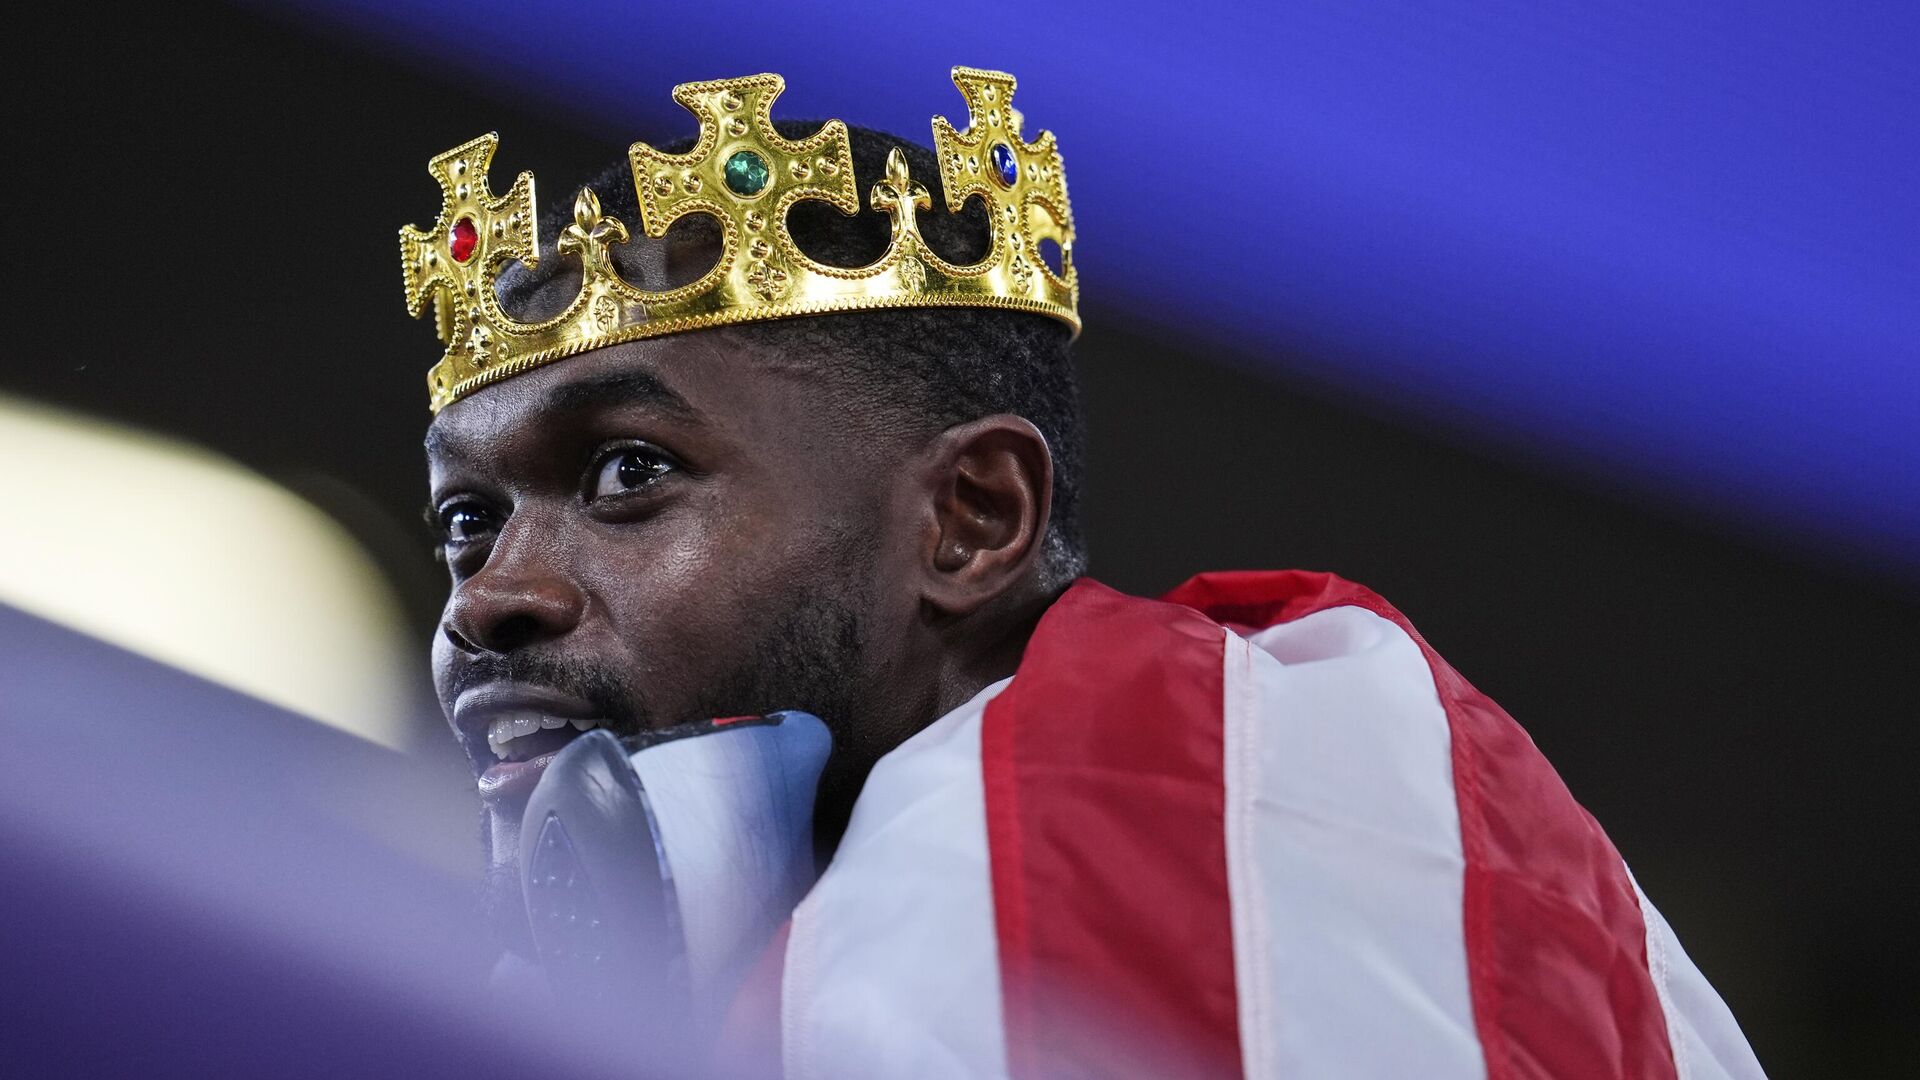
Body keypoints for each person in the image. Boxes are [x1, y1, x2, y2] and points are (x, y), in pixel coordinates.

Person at [405, 69, 1763, 1078]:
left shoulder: (1132, 814)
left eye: (628, 473)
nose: (485, 599)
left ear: (972, 518)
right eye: (469, 520)